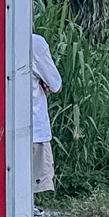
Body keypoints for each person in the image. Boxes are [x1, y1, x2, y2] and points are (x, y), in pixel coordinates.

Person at [31, 32, 63, 194]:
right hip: (33, 126)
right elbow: (55, 84)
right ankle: (28, 207)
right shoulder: (35, 43)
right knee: (32, 176)